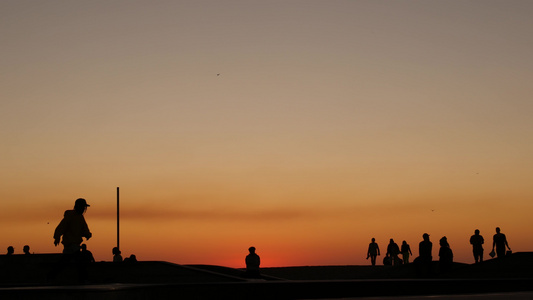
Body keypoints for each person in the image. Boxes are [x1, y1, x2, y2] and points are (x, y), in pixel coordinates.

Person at [50, 198, 92, 283]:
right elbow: (61, 227)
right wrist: (57, 237)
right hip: (70, 244)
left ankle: (51, 276)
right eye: (83, 207)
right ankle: (83, 279)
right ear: (78, 207)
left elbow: (84, 229)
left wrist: (88, 234)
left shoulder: (80, 218)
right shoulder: (70, 216)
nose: (84, 209)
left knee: (65, 262)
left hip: (74, 245)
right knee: (79, 263)